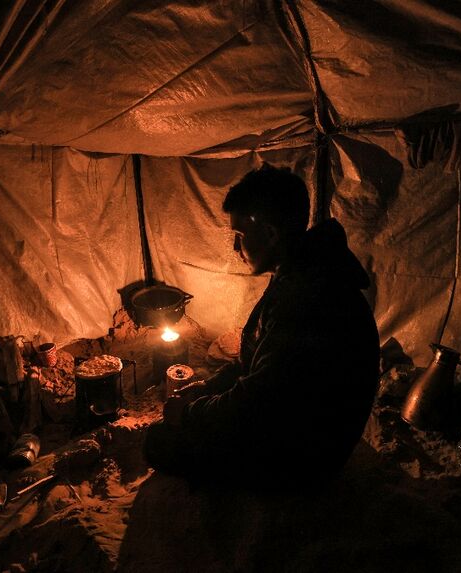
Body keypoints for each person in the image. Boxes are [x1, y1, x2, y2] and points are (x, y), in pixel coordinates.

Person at [144, 164, 380, 486]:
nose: (235, 248)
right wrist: (204, 389)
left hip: (309, 455)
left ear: (270, 233)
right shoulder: (301, 269)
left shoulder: (308, 296)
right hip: (299, 422)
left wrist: (190, 414)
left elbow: (260, 402)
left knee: (159, 443)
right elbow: (255, 365)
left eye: (240, 236)